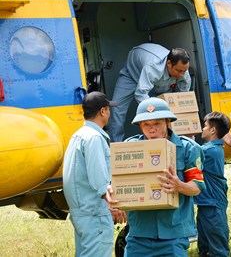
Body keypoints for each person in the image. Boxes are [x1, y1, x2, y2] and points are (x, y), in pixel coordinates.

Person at [123, 97, 205, 256]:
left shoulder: (188, 148)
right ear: (140, 125)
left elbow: (197, 187)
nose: (151, 129)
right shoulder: (130, 148)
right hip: (139, 235)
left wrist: (179, 186)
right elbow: (119, 183)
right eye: (146, 124)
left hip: (172, 236)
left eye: (157, 123)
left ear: (168, 122)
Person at [63, 91, 127, 257]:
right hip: (94, 213)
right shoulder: (94, 138)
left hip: (82, 212)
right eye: (109, 109)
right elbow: (99, 178)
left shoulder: (77, 136)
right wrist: (113, 204)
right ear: (103, 111)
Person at [109, 43, 192, 142]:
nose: (181, 74)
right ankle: (116, 146)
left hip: (156, 83)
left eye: (184, 71)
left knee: (168, 106)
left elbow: (182, 102)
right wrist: (155, 113)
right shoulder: (154, 67)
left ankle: (172, 142)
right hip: (132, 74)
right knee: (117, 108)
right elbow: (141, 93)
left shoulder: (183, 71)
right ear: (169, 63)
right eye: (179, 71)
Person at [194, 112, 231, 257]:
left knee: (218, 250)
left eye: (205, 126)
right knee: (204, 248)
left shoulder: (209, 151)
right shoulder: (213, 149)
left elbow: (191, 153)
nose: (202, 129)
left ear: (213, 130)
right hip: (206, 204)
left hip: (213, 207)